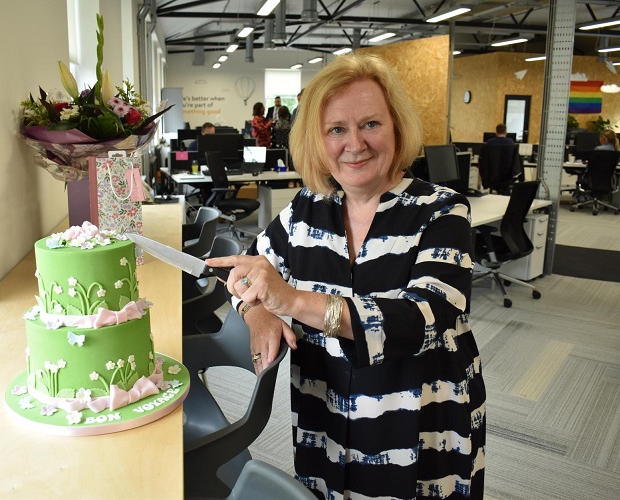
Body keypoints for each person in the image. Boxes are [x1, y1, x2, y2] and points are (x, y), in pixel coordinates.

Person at [206, 53, 486, 499]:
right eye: (336, 129)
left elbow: (420, 319)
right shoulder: (306, 209)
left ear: (396, 126)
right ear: (318, 140)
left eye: (370, 124)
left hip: (417, 421)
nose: (354, 143)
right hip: (326, 414)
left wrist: (294, 302)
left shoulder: (441, 211)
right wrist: (257, 312)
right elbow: (244, 270)